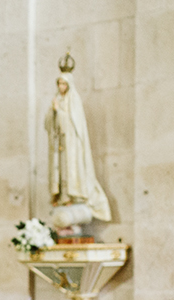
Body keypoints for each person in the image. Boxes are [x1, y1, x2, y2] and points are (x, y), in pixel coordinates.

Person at [45, 64, 112, 223]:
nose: (61, 87)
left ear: (69, 85)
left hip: (71, 145)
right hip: (59, 145)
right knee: (59, 171)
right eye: (59, 83)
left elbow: (73, 125)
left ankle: (72, 195)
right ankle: (61, 197)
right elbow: (48, 124)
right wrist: (53, 112)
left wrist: (59, 112)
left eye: (63, 84)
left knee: (71, 169)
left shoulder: (74, 100)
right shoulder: (56, 100)